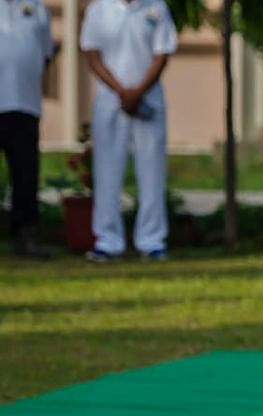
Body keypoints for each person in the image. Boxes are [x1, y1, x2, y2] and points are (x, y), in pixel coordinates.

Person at [79, 0, 177, 262]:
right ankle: (108, 241)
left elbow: (162, 54)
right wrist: (121, 91)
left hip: (149, 100)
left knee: (152, 171)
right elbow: (92, 55)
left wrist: (138, 91)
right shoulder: (98, 9)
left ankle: (152, 240)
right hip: (110, 101)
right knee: (107, 171)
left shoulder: (156, 7)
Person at [0, 0, 55, 260]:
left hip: (25, 103)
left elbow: (45, 55)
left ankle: (26, 235)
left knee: (25, 174)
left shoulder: (37, 9)